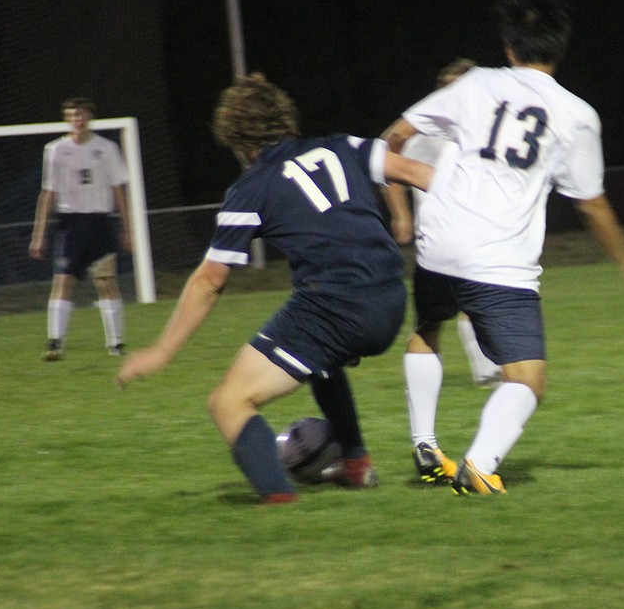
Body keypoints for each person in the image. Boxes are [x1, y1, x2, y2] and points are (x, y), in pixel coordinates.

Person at [382, 0, 624, 495]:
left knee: (428, 326)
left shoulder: (474, 83)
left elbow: (395, 136)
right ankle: (480, 465)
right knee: (527, 379)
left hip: (438, 240)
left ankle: (425, 441)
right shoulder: (576, 114)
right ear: (562, 46)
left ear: (509, 46)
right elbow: (591, 203)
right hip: (497, 257)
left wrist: (404, 186)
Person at [116, 73, 436, 505]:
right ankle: (356, 464)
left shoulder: (251, 187)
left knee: (228, 402)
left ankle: (281, 503)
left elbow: (210, 280)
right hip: (391, 298)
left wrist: (163, 350)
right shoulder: (345, 146)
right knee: (323, 360)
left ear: (235, 139)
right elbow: (421, 173)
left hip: (335, 305)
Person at [380, 57, 503, 389]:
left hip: (476, 228)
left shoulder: (488, 130)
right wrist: (401, 214)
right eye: (444, 87)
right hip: (438, 232)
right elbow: (389, 156)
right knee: (435, 317)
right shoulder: (426, 134)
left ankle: (485, 372)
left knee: (472, 301)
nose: (447, 94)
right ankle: (435, 378)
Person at [29, 97, 132, 361]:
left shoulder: (107, 148)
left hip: (99, 222)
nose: (78, 119)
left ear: (90, 117)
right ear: (67, 119)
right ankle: (55, 343)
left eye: (82, 114)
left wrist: (127, 227)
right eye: (73, 115)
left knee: (106, 282)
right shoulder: (55, 150)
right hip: (69, 225)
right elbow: (48, 192)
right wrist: (38, 234)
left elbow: (118, 190)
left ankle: (116, 343)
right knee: (62, 281)